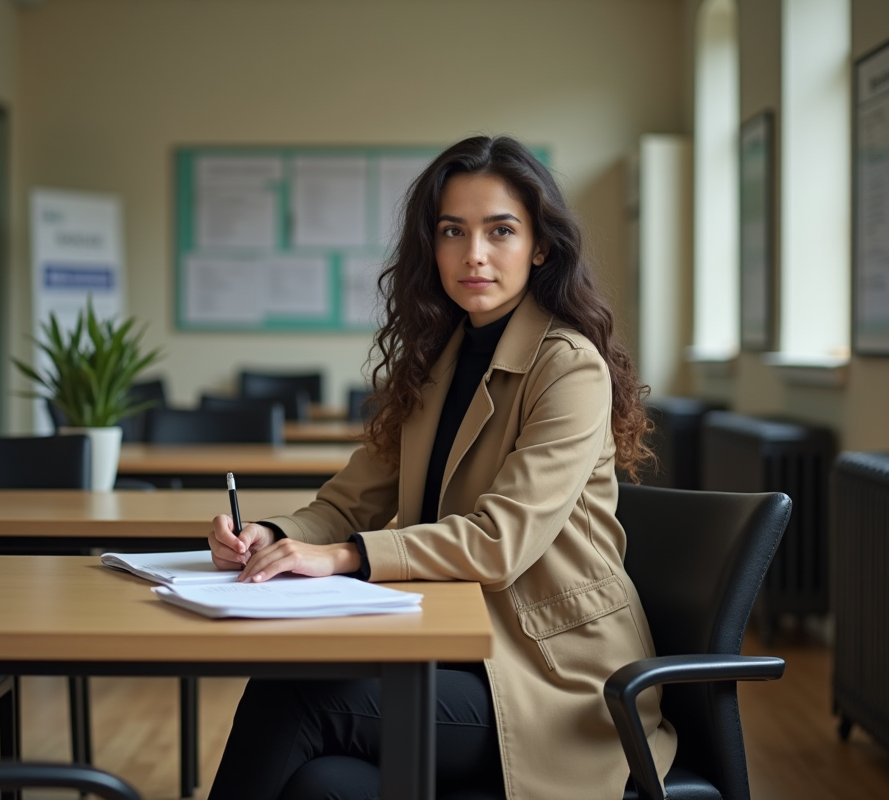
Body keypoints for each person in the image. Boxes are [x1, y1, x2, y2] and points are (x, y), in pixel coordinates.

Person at [207, 135, 677, 800]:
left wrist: (341, 558)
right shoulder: (437, 361)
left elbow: (497, 542)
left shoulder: (567, 366)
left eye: (501, 230)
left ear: (541, 246)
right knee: (322, 785)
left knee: (295, 701)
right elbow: (348, 503)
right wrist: (272, 535)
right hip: (453, 650)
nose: (473, 253)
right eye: (452, 230)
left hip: (554, 684)